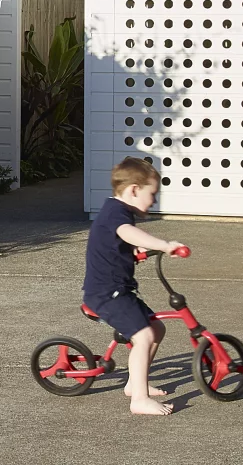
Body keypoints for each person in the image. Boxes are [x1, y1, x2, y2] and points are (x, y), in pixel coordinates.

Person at [85, 156, 190, 416]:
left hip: (119, 290)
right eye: (151, 194)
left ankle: (135, 383)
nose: (154, 200)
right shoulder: (116, 214)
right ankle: (139, 401)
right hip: (106, 294)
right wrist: (163, 245)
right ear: (134, 190)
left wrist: (136, 252)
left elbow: (119, 242)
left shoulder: (118, 212)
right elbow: (127, 233)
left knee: (156, 328)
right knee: (143, 336)